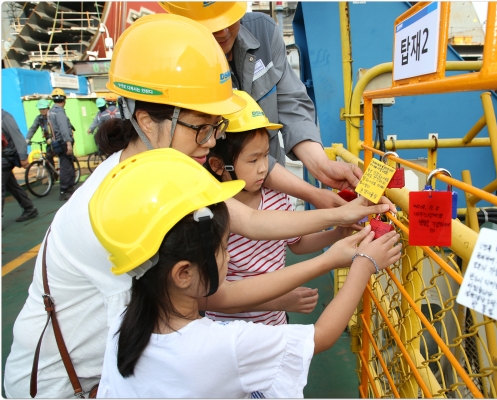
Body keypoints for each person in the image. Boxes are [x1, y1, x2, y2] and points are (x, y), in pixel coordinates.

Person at [3, 14, 395, 399]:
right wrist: (338, 251)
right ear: (148, 121)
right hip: (65, 385)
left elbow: (253, 222)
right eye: (202, 129)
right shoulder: (125, 199)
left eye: (217, 129)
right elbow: (213, 294)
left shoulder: (158, 173)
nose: (211, 144)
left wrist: (341, 210)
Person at [90, 149, 401, 398]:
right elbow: (320, 337)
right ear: (183, 274)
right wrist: (363, 264)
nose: (230, 257)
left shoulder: (124, 323)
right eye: (224, 249)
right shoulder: (224, 346)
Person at [159, 2, 363, 197]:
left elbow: (292, 104)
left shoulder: (263, 33)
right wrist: (313, 194)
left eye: (228, 19)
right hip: (212, 194)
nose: (222, 32)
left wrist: (322, 165)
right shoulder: (169, 62)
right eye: (211, 26)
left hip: (272, 191)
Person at [206, 91, 353, 325]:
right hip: (228, 328)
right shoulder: (211, 213)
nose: (264, 168)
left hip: (274, 323)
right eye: (253, 160)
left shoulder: (277, 198)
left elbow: (297, 243)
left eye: (266, 156)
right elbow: (218, 295)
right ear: (218, 165)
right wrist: (279, 301)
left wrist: (337, 233)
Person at [2, 110, 38, 221]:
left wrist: (23, 157)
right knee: (11, 185)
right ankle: (29, 208)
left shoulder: (4, 117)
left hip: (5, 158)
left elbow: (17, 137)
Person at [48, 88, 76, 200]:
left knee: (67, 164)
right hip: (63, 142)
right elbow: (64, 129)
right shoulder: (59, 112)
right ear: (64, 99)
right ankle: (65, 189)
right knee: (66, 166)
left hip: (57, 142)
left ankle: (69, 187)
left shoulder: (51, 112)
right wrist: (68, 143)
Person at [26, 99, 56, 173]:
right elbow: (33, 128)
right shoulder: (39, 118)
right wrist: (27, 139)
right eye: (40, 109)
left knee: (63, 157)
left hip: (58, 139)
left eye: (44, 109)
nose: (42, 111)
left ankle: (66, 175)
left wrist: (54, 138)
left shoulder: (53, 116)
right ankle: (52, 176)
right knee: (48, 157)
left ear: (48, 108)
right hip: (48, 141)